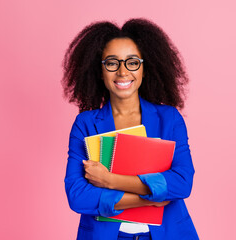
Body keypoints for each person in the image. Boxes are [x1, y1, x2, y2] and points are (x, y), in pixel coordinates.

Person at [62, 18, 199, 240]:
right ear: (100, 71)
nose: (123, 71)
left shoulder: (169, 118)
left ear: (145, 69)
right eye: (112, 63)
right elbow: (78, 196)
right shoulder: (86, 124)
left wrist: (109, 181)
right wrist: (150, 196)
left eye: (132, 62)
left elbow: (183, 182)